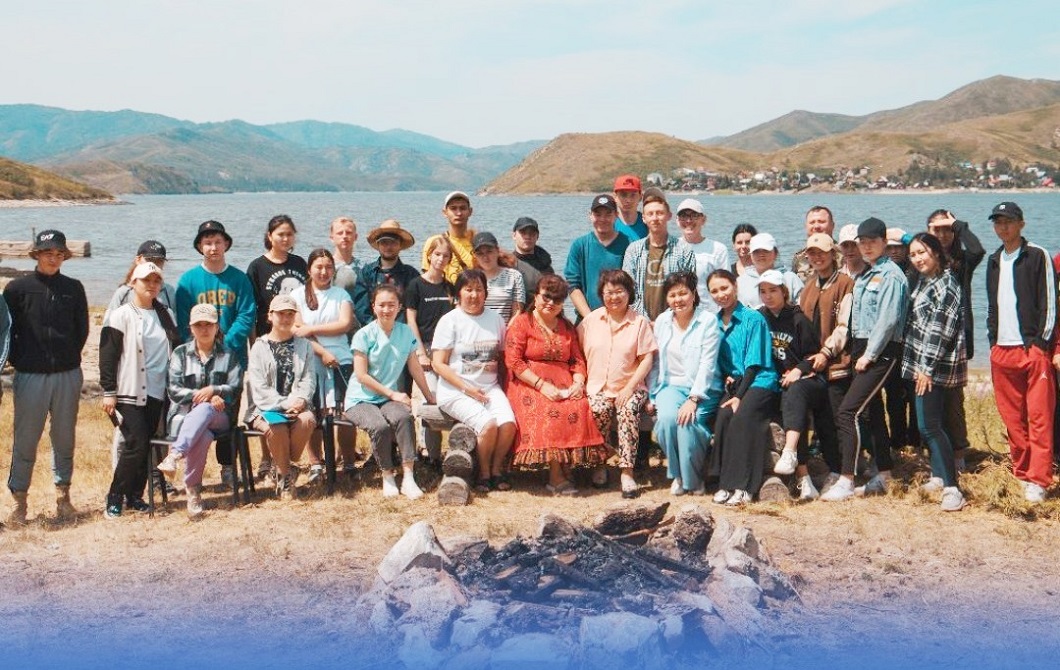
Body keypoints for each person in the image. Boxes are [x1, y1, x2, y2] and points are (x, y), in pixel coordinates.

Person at [3, 230, 89, 525]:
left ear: (65, 256)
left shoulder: (74, 288)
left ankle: (63, 498)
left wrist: (68, 356)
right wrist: (19, 359)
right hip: (30, 376)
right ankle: (19, 502)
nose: (53, 258)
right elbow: (6, 331)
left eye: (58, 254)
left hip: (67, 374)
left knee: (64, 438)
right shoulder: (16, 289)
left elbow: (82, 329)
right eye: (47, 253)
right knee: (25, 440)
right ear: (36, 255)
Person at [822, 218, 909, 502]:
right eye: (863, 242)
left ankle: (846, 479)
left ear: (884, 242)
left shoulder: (891, 275)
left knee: (848, 412)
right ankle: (884, 474)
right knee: (871, 412)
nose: (867, 246)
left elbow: (887, 320)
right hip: (862, 346)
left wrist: (869, 355)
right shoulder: (867, 273)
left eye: (873, 241)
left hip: (881, 351)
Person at [506, 274, 606, 495]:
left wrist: (578, 382)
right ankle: (556, 477)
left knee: (579, 406)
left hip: (564, 382)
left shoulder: (567, 326)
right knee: (549, 410)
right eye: (546, 297)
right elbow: (514, 361)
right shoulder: (522, 323)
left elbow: (577, 360)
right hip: (528, 382)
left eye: (558, 299)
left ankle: (566, 466)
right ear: (536, 296)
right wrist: (541, 385)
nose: (551, 303)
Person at [175, 220, 257, 488]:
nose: (213, 248)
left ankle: (228, 467)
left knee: (228, 414)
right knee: (198, 411)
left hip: (232, 360)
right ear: (200, 246)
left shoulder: (239, 279)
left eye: (218, 242)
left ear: (226, 245)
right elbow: (183, 321)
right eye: (207, 242)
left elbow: (246, 315)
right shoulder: (188, 281)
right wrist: (204, 346)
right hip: (197, 362)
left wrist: (224, 345)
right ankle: (192, 473)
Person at [985, 202, 1056, 503]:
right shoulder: (993, 260)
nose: (1003, 227)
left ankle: (1040, 479)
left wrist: (1041, 343)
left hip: (1031, 349)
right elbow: (992, 306)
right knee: (1013, 418)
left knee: (1039, 416)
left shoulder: (1037, 255)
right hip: (1002, 350)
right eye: (998, 222)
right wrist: (992, 342)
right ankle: (1022, 471)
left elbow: (1049, 302)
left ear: (1021, 224)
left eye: (1009, 221)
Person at [99, 262, 181, 518]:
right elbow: (108, 356)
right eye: (146, 280)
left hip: (157, 391)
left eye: (156, 281)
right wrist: (108, 391)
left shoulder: (166, 314)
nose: (152, 286)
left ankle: (135, 496)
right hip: (129, 390)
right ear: (133, 283)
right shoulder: (120, 315)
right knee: (135, 442)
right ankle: (115, 496)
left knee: (146, 446)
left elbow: (175, 350)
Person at [345, 285, 436, 499]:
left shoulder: (405, 332)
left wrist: (429, 396)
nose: (386, 310)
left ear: (399, 307)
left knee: (404, 417)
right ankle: (387, 475)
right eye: (382, 305)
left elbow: (414, 367)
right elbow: (361, 375)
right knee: (380, 426)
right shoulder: (363, 335)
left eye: (391, 305)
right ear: (373, 307)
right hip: (360, 399)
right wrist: (393, 394)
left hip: (387, 397)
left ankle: (408, 477)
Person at [431, 269, 517, 493]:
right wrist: (467, 389)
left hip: (489, 388)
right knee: (488, 425)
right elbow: (438, 364)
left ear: (486, 293)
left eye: (479, 289)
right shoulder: (449, 321)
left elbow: (502, 357)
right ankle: (483, 473)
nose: (474, 295)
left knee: (508, 424)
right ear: (459, 293)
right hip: (456, 391)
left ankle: (497, 469)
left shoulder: (496, 319)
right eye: (468, 289)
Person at [156, 303, 243, 518]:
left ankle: (175, 454)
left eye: (209, 325)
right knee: (203, 436)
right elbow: (173, 389)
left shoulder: (228, 355)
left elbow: (236, 387)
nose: (204, 329)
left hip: (220, 418)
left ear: (217, 327)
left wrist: (215, 390)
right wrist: (204, 396)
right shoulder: (180, 354)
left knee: (206, 409)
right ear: (191, 328)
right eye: (199, 325)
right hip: (184, 417)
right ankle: (193, 491)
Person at [902, 233, 968, 512]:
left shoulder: (946, 284)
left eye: (922, 252)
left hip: (934, 368)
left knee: (930, 426)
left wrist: (926, 368)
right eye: (913, 254)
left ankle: (953, 489)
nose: (918, 259)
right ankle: (939, 475)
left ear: (937, 252)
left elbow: (940, 330)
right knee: (931, 423)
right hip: (924, 365)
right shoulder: (926, 281)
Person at [578, 270, 658, 498]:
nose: (614, 297)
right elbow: (577, 354)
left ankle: (627, 472)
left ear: (629, 293)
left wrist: (629, 388)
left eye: (619, 291)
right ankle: (599, 465)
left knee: (627, 411)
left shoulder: (639, 322)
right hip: (597, 386)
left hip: (630, 386)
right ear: (602, 294)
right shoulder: (591, 321)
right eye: (609, 292)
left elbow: (647, 359)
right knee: (598, 409)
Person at [757, 269, 833, 500]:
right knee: (790, 405)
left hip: (809, 380)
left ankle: (793, 457)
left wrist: (799, 370)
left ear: (784, 292)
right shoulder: (760, 318)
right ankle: (804, 479)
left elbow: (813, 357)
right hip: (780, 382)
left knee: (795, 392)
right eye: (763, 291)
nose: (768, 296)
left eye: (773, 290)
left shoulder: (798, 319)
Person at [706, 270, 780, 506]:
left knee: (742, 418)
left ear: (735, 287)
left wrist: (739, 396)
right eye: (715, 291)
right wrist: (727, 379)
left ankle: (746, 486)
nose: (721, 294)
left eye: (724, 288)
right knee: (723, 416)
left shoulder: (752, 318)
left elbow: (754, 363)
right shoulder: (714, 323)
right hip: (737, 383)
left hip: (760, 380)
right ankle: (724, 484)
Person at [648, 271, 722, 496]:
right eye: (672, 295)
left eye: (683, 293)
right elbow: (656, 362)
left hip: (703, 389)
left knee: (688, 422)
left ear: (694, 294)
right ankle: (678, 475)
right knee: (666, 420)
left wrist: (694, 398)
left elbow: (707, 364)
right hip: (669, 386)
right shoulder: (662, 321)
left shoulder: (707, 321)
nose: (678, 300)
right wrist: (653, 394)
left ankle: (693, 480)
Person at [292, 248, 358, 481]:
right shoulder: (297, 295)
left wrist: (312, 328)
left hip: (341, 358)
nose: (323, 271)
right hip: (309, 358)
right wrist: (322, 351)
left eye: (328, 267)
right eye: (318, 267)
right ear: (309, 269)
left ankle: (349, 463)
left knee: (346, 413)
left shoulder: (341, 294)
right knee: (315, 413)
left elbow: (345, 324)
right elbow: (298, 331)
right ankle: (316, 464)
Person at [244, 294, 317, 500]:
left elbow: (309, 379)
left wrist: (301, 400)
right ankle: (286, 479)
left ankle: (283, 463)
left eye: (290, 314)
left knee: (307, 421)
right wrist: (286, 404)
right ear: (270, 316)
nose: (285, 318)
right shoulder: (259, 347)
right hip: (264, 408)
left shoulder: (304, 345)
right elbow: (259, 388)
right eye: (280, 314)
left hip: (298, 406)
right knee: (276, 428)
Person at [796, 233, 854, 495]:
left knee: (837, 418)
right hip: (813, 365)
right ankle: (829, 468)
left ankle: (842, 472)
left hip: (836, 363)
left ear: (833, 254)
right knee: (820, 420)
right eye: (812, 253)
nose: (817, 257)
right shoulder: (808, 287)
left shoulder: (845, 284)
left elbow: (844, 326)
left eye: (822, 252)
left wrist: (826, 352)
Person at [926, 208, 984, 471]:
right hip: (929, 338)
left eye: (946, 229)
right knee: (929, 398)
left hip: (957, 340)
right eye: (935, 229)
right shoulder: (923, 259)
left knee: (953, 402)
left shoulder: (962, 261)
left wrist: (958, 224)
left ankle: (959, 454)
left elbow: (978, 249)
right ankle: (935, 453)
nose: (941, 234)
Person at [405, 236, 455, 465]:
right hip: (423, 348)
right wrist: (420, 353)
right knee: (428, 398)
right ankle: (428, 455)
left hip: (446, 351)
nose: (440, 259)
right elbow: (411, 320)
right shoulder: (415, 285)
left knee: (447, 400)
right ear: (429, 255)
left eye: (445, 256)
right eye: (437, 254)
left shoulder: (450, 288)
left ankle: (447, 452)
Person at [621, 191, 696, 321]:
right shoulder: (633, 250)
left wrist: (665, 321)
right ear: (644, 218)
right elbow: (628, 289)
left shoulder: (684, 250)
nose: (655, 218)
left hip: (675, 321)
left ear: (669, 215)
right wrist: (644, 321)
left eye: (660, 213)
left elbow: (689, 290)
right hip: (640, 322)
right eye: (650, 214)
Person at [564, 194, 631, 320]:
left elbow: (632, 286)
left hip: (621, 318)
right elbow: (572, 285)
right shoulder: (579, 245)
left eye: (608, 214)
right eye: (598, 214)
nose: (602, 219)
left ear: (616, 215)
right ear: (590, 215)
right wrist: (590, 318)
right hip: (586, 318)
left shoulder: (628, 244)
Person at [246, 214, 308, 337]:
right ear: (270, 236)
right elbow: (250, 308)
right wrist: (253, 340)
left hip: (299, 333)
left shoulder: (300, 263)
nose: (285, 239)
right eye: (281, 234)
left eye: (289, 234)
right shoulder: (257, 267)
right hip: (269, 334)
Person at [353, 219, 419, 326]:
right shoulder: (366, 273)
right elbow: (361, 308)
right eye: (384, 243)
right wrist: (377, 328)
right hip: (373, 330)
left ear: (400, 245)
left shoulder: (411, 274)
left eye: (393, 243)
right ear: (378, 244)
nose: (388, 247)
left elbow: (415, 307)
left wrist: (399, 329)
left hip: (403, 330)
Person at [675, 199, 730, 313]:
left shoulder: (718, 249)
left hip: (710, 316)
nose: (688, 220)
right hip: (678, 315)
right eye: (683, 216)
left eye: (694, 216)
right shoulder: (670, 248)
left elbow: (727, 287)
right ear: (677, 221)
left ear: (703, 220)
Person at [104, 240, 177, 320]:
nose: (152, 264)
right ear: (137, 260)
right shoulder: (123, 293)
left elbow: (175, 322)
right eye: (149, 260)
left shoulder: (169, 291)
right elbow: (109, 322)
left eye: (159, 261)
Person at [736, 233, 803, 308]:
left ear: (775, 253)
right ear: (750, 255)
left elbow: (804, 308)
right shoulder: (740, 282)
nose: (761, 254)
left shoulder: (791, 278)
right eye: (756, 251)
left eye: (766, 250)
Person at [471, 231, 525, 324]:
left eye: (489, 252)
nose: (485, 257)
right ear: (475, 256)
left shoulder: (514, 276)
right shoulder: (469, 278)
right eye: (480, 253)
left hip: (504, 330)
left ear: (497, 251)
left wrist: (505, 331)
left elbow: (517, 312)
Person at [422, 191, 476, 284]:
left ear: (470, 211)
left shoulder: (477, 243)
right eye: (453, 208)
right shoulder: (434, 242)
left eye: (463, 208)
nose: (458, 213)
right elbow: (427, 278)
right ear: (445, 212)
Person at [791, 206, 837, 283]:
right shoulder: (799, 257)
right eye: (812, 222)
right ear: (806, 226)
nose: (816, 226)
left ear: (832, 225)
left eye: (821, 222)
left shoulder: (845, 253)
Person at [329, 216, 363, 302]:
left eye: (348, 233)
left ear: (356, 237)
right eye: (340, 233)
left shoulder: (363, 268)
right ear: (332, 238)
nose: (344, 236)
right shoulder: (325, 267)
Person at [613, 174, 646, 241]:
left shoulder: (648, 223)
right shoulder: (609, 223)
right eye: (623, 195)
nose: (628, 200)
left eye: (633, 195)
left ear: (640, 197)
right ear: (615, 196)